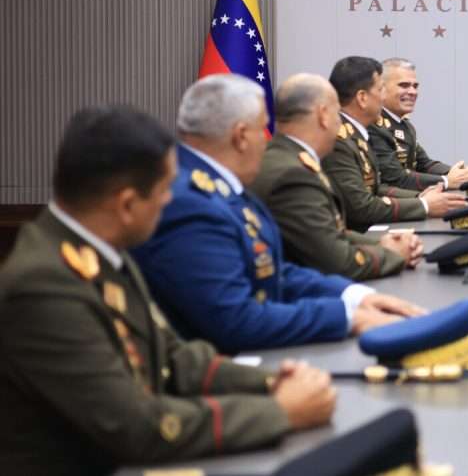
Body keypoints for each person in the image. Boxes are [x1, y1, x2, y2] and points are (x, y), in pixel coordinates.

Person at [0, 105, 335, 475]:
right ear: (126, 205)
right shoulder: (42, 286)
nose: (169, 201)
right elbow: (136, 426)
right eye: (164, 191)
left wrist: (272, 382)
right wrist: (279, 411)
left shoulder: (99, 252)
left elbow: (173, 359)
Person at [133, 74, 425, 353]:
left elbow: (271, 270)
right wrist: (346, 317)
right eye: (263, 128)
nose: (268, 140)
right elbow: (235, 320)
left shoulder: (222, 183)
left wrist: (355, 297)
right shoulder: (190, 204)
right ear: (241, 136)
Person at [250, 74, 423, 280]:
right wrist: (392, 254)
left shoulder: (290, 158)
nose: (340, 121)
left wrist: (382, 242)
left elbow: (328, 232)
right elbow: (337, 262)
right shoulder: (293, 175)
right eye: (337, 113)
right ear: (323, 115)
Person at [323, 57, 465, 232]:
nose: (383, 98)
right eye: (380, 89)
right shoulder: (339, 139)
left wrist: (420, 198)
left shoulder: (358, 133)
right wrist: (423, 204)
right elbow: (361, 206)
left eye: (415, 86)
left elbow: (375, 189)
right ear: (362, 98)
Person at [370, 57, 468, 191]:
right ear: (382, 88)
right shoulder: (374, 125)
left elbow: (424, 164)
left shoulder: (404, 125)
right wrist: (446, 181)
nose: (412, 92)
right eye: (404, 85)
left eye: (415, 86)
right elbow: (396, 177)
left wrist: (459, 173)